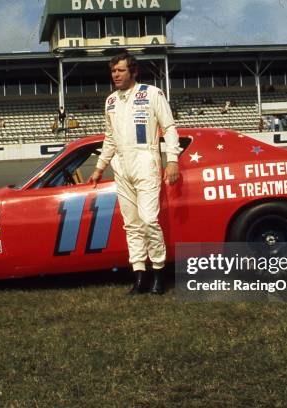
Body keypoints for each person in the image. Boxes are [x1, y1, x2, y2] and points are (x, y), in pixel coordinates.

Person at [88, 52, 180, 295]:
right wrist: (99, 167)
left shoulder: (152, 93)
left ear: (133, 71)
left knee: (149, 219)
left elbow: (169, 127)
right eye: (113, 71)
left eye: (120, 70)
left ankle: (159, 272)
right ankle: (139, 276)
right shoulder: (110, 101)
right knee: (131, 224)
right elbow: (109, 138)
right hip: (121, 165)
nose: (115, 75)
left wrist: (172, 160)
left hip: (146, 160)